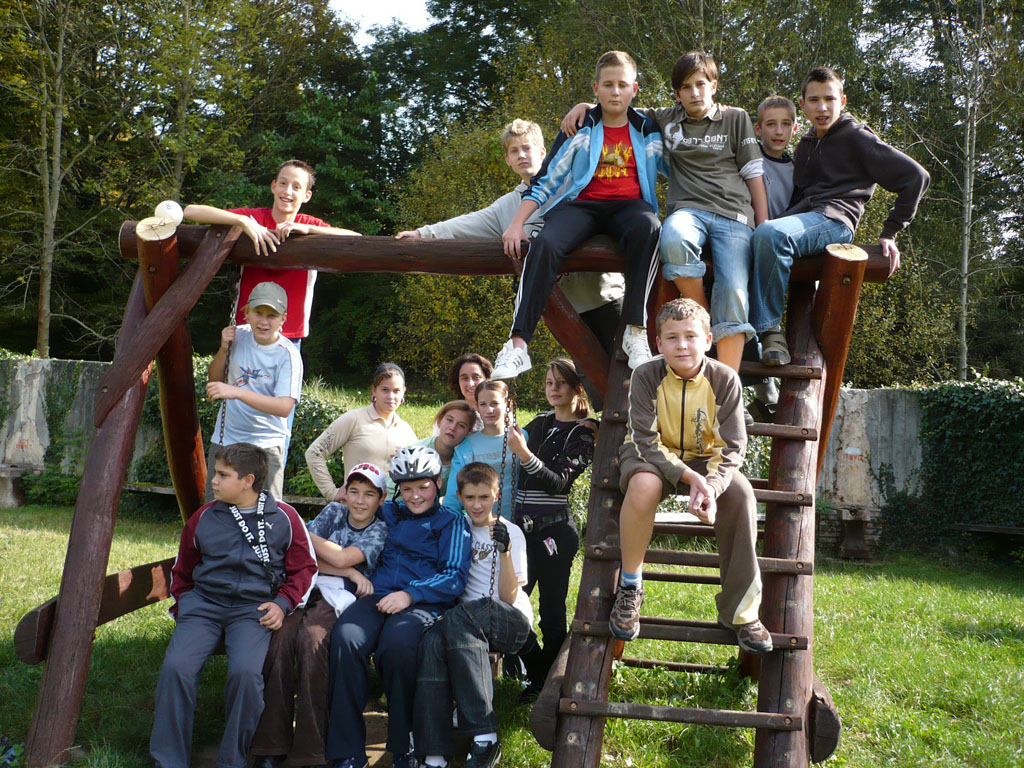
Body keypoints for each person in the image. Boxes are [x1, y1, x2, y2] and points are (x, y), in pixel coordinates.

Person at [561, 51, 767, 374]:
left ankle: (727, 384)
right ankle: (706, 318)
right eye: (686, 87)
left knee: (733, 289)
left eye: (701, 84)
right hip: (688, 211)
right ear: (677, 93)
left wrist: (763, 224)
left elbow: (754, 172)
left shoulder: (735, 118)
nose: (695, 92)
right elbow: (620, 103)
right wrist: (585, 106)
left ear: (714, 86)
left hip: (733, 215)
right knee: (671, 238)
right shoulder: (666, 119)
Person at [609, 299, 772, 655]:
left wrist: (710, 486)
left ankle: (741, 611)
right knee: (644, 485)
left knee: (742, 495)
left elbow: (732, 446)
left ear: (708, 340)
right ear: (659, 343)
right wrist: (686, 477)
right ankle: (631, 585)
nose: (681, 345)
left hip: (704, 459)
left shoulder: (724, 379)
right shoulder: (646, 375)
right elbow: (645, 439)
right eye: (672, 338)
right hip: (650, 455)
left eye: (690, 336)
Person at [490, 50, 667, 379]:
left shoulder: (647, 127)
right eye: (608, 85)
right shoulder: (582, 125)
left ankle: (635, 331)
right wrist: (516, 224)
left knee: (651, 229)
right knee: (545, 242)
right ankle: (517, 345)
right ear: (596, 88)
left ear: (634, 89)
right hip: (583, 205)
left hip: (630, 206)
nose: (615, 92)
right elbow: (547, 179)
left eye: (623, 85)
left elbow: (676, 166)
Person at [396, 121, 625, 361]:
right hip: (565, 311)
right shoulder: (506, 207)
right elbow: (463, 225)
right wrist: (421, 234)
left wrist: (584, 107)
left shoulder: (572, 184)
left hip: (606, 298)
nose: (521, 155)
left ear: (543, 152)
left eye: (527, 148)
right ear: (507, 159)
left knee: (627, 372)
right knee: (591, 377)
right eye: (514, 151)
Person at [150, 443, 317, 768]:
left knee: (246, 676)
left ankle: (232, 760)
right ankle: (169, 761)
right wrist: (186, 609)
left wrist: (282, 604)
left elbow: (305, 569)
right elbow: (182, 571)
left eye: (223, 475)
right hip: (203, 608)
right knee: (176, 669)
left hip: (252, 612)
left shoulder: (285, 517)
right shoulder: (203, 517)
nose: (213, 480)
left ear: (248, 481)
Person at [749, 66, 930, 366]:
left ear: (842, 101)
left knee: (770, 233)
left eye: (829, 99)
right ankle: (748, 352)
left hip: (835, 220)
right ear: (803, 104)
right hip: (806, 220)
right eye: (814, 100)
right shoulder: (807, 142)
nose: (822, 107)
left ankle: (768, 331)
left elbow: (916, 177)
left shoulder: (856, 136)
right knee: (749, 239)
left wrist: (890, 231)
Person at [184, 160, 359, 455]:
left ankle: (271, 476)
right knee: (236, 403)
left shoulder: (309, 224)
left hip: (289, 336)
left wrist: (306, 229)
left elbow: (357, 240)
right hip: (247, 333)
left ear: (306, 195)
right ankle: (230, 468)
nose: (288, 191)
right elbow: (190, 211)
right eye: (283, 183)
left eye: (296, 187)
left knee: (279, 416)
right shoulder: (255, 217)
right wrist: (243, 223)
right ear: (273, 186)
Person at [326, 445, 471, 768]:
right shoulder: (387, 512)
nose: (415, 496)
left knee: (398, 648)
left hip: (423, 603)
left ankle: (404, 745)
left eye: (423, 487)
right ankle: (347, 750)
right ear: (397, 490)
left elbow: (454, 576)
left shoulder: (451, 522)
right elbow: (356, 512)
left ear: (438, 483)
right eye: (407, 489)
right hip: (376, 595)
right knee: (346, 638)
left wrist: (410, 594)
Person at [250, 463, 389, 768]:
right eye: (354, 491)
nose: (359, 501)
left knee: (313, 641)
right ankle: (271, 744)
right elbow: (300, 556)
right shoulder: (333, 512)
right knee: (280, 639)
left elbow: (338, 555)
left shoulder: (378, 529)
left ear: (381, 498)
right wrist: (350, 571)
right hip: (303, 585)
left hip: (337, 596)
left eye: (369, 494)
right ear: (344, 493)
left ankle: (311, 748)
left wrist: (301, 532)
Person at [414, 463, 535, 768]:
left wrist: (504, 551)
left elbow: (509, 597)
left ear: (496, 495)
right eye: (470, 498)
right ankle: (434, 754)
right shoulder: (458, 529)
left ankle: (485, 737)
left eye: (484, 497)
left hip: (510, 620)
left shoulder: (510, 531)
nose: (477, 505)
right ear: (459, 496)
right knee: (432, 640)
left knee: (458, 617)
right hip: (466, 624)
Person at [505, 358, 596, 698]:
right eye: (548, 383)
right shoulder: (541, 422)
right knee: (512, 603)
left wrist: (524, 454)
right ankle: (534, 669)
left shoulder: (583, 432)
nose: (553, 389)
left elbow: (559, 482)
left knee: (552, 611)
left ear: (577, 388)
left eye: (560, 383)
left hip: (554, 532)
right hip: (522, 531)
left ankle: (548, 683)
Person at [205, 281, 302, 502]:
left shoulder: (288, 354)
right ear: (246, 313)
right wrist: (223, 349)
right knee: (215, 510)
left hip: (266, 445)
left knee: (267, 515)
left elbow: (284, 407)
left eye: (272, 316)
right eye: (258, 313)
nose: (264, 322)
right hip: (226, 439)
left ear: (283, 319)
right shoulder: (237, 336)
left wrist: (236, 392)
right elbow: (215, 380)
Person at [305, 363, 417, 502]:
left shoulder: (406, 430)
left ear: (403, 392)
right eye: (385, 390)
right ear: (374, 390)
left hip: (393, 511)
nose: (391, 396)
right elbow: (314, 452)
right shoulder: (354, 419)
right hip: (357, 509)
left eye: (396, 391)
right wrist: (331, 492)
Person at [445, 379, 526, 519]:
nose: (489, 410)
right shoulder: (466, 447)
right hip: (479, 524)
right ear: (477, 406)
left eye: (494, 403)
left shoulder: (521, 436)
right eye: (483, 404)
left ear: (508, 404)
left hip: (519, 521)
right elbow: (453, 498)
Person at [411, 400, 476, 490]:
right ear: (439, 421)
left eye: (461, 425)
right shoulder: (415, 452)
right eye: (449, 420)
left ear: (468, 433)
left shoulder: (466, 460)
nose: (453, 428)